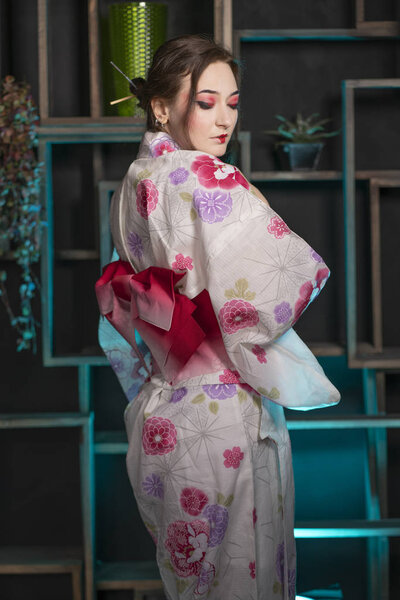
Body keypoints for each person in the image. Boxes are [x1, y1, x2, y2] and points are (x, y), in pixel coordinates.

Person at [95, 34, 340, 600]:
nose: (224, 118)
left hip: (163, 415)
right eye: (205, 102)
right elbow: (284, 280)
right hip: (221, 411)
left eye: (232, 102)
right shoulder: (209, 179)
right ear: (161, 106)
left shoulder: (131, 186)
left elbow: (125, 316)